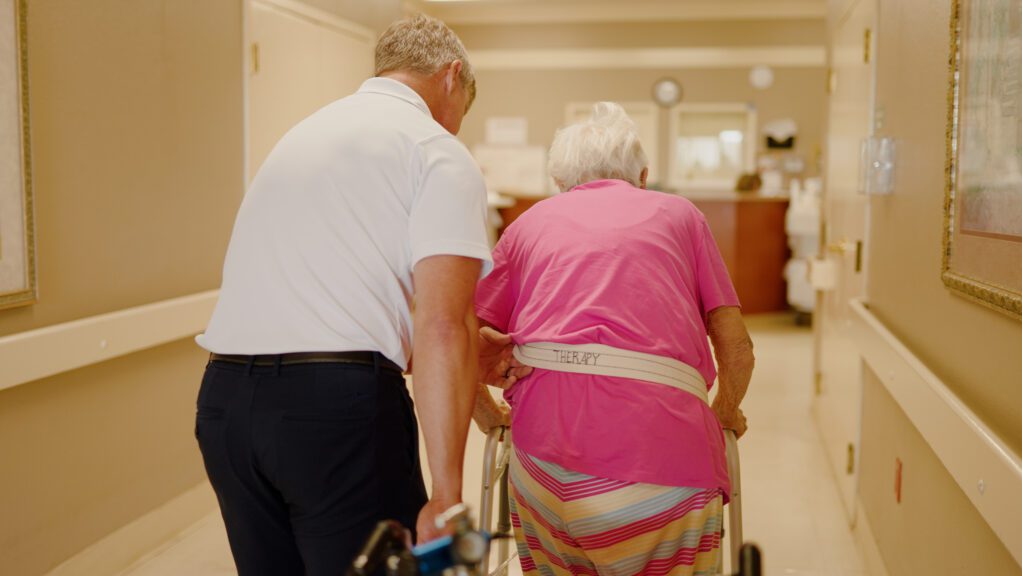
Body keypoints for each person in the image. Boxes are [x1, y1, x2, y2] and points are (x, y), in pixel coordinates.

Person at [194, 15, 517, 576]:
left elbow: (336, 298)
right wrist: (446, 496)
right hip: (334, 414)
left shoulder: (303, 135)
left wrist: (470, 357)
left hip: (225, 408)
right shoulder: (435, 150)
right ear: (452, 76)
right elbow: (443, 326)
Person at [473, 102, 755, 575]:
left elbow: (463, 340)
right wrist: (724, 411)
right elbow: (737, 348)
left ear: (559, 183)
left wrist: (489, 415)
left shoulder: (528, 224)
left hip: (542, 462)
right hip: (664, 466)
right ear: (643, 175)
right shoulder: (681, 216)